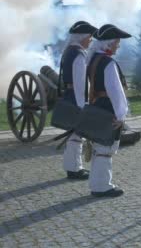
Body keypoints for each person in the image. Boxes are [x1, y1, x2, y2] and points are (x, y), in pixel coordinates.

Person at [86, 24, 131, 197]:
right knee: (106, 149)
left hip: (97, 105)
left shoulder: (94, 59)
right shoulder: (108, 63)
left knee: (99, 147)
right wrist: (121, 115)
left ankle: (97, 184)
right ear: (110, 43)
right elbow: (116, 91)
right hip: (108, 108)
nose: (118, 46)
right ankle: (102, 186)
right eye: (117, 42)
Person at [61, 21, 97, 180]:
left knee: (72, 137)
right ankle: (75, 169)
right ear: (83, 37)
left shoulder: (69, 51)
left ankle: (72, 167)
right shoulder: (79, 54)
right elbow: (80, 83)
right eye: (90, 37)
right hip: (76, 99)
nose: (91, 40)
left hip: (69, 97)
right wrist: (83, 107)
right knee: (76, 138)